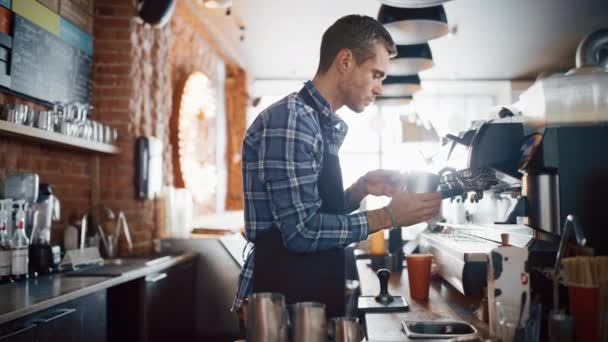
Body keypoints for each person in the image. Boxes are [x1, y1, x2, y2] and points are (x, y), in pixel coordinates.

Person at [232, 14, 442, 322]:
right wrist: (389, 216)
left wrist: (359, 190)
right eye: (376, 75)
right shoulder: (293, 120)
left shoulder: (321, 124)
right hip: (279, 306)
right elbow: (301, 232)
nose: (379, 88)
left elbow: (315, 212)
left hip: (308, 295)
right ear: (345, 61)